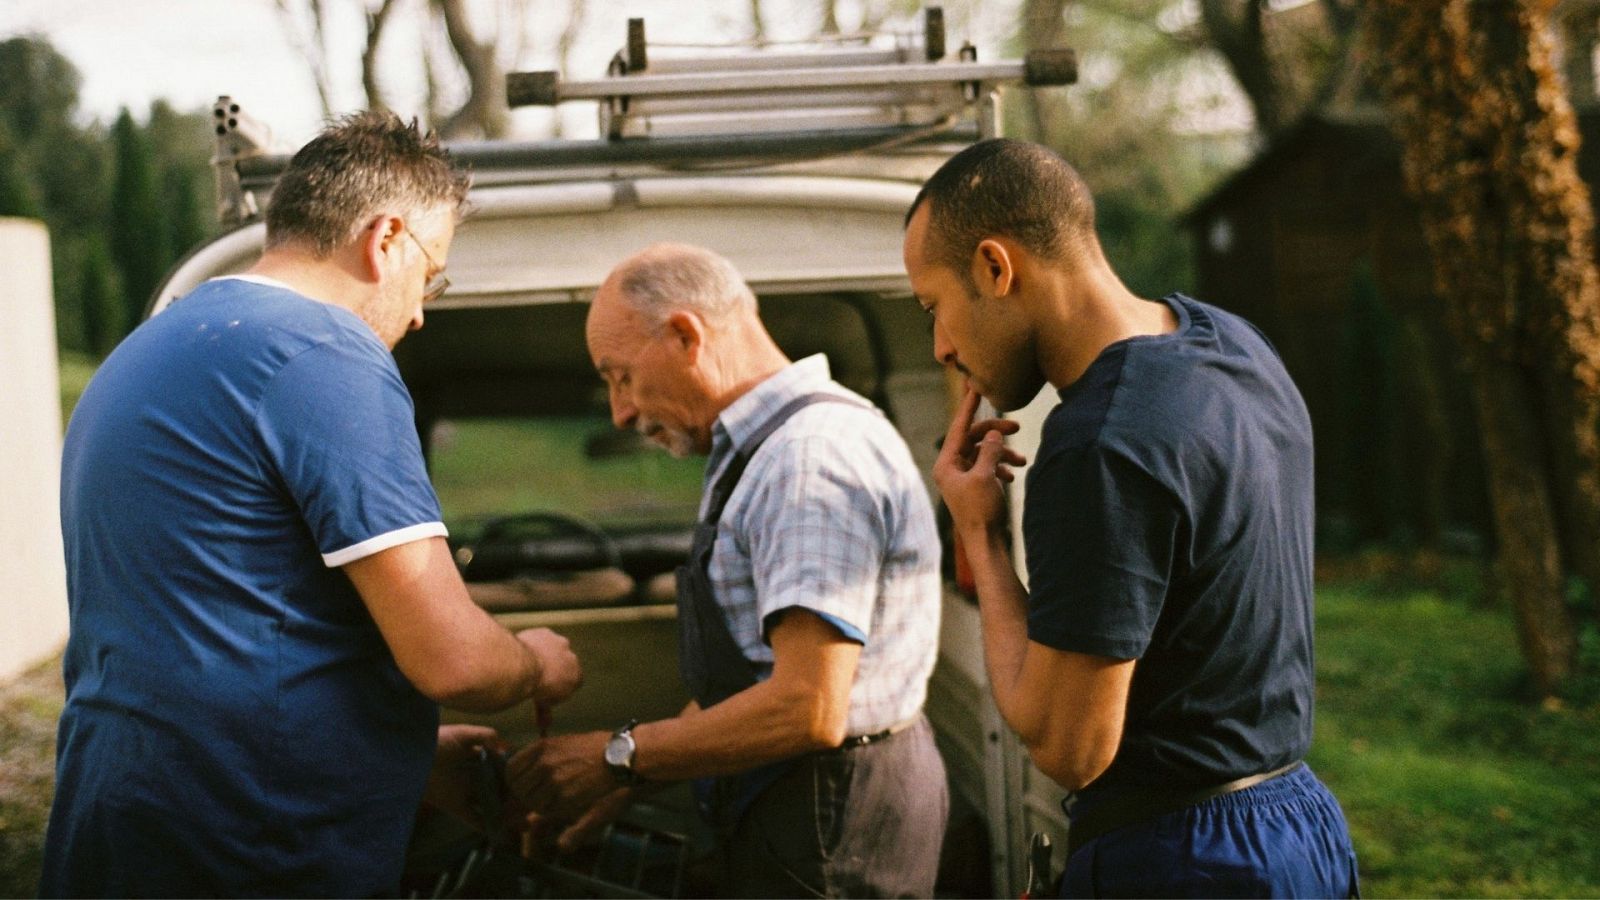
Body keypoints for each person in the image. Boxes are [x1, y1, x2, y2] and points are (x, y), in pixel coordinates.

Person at [40, 111, 582, 898]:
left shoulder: (152, 346)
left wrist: (402, 755)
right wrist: (535, 661)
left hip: (123, 815)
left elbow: (217, 622)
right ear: (386, 238)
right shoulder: (324, 352)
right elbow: (453, 659)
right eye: (431, 276)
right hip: (251, 848)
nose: (422, 310)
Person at [904, 138, 1358, 898]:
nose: (943, 346)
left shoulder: (1100, 446)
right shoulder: (1234, 346)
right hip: (1301, 823)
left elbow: (1067, 747)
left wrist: (978, 533)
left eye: (933, 308)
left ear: (994, 266)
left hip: (1189, 860)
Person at [505, 242, 948, 898]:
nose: (621, 412)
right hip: (798, 805)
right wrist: (624, 784)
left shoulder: (809, 460)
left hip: (830, 822)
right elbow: (748, 675)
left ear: (686, 335)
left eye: (619, 375)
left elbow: (808, 706)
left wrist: (617, 755)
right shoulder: (757, 452)